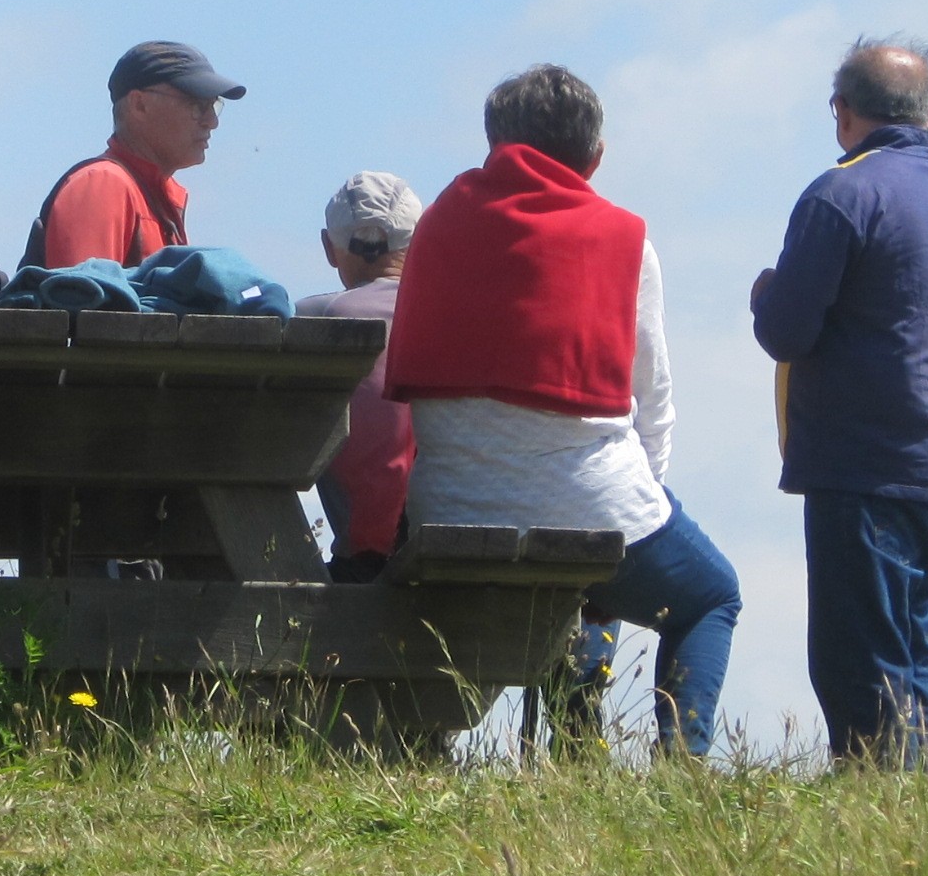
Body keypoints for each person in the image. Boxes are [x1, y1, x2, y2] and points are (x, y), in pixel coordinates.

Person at [385, 64, 741, 758]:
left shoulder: (435, 228)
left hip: (448, 505)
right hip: (597, 505)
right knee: (711, 597)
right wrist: (646, 497)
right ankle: (682, 772)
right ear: (595, 158)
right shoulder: (626, 240)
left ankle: (421, 748)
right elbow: (655, 399)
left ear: (492, 144)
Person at [750, 37, 928, 766]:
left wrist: (764, 294)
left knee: (857, 658)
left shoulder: (843, 192)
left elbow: (786, 330)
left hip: (858, 461)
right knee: (911, 652)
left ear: (842, 112)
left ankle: (878, 811)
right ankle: (917, 812)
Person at [293, 172, 422, 581]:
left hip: (365, 560)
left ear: (329, 248)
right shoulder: (454, 313)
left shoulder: (313, 318)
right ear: (417, 244)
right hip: (453, 526)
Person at [22, 40, 244, 270]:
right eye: (197, 105)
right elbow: (81, 299)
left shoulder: (154, 198)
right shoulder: (104, 184)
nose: (212, 122)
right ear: (139, 105)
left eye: (214, 105)